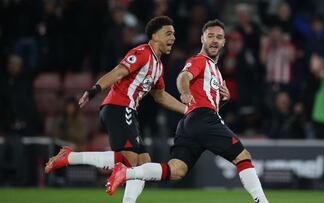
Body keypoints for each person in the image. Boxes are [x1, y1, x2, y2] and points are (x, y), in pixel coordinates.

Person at [106, 19, 269, 203]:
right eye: (210, 36)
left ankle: (127, 172)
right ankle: (262, 201)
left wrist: (224, 100)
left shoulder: (215, 71)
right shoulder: (199, 60)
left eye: (219, 37)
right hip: (202, 118)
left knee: (176, 170)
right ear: (202, 39)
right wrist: (184, 91)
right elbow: (184, 76)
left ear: (224, 42)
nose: (215, 40)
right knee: (243, 156)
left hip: (190, 123)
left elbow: (206, 101)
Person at [44, 16, 187, 203]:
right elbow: (119, 71)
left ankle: (69, 157)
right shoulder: (142, 52)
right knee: (130, 161)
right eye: (168, 33)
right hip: (118, 107)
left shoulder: (158, 66)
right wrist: (95, 89)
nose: (173, 38)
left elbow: (160, 96)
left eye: (174, 34)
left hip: (129, 112)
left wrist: (187, 109)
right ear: (154, 36)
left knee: (143, 162)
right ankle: (69, 158)